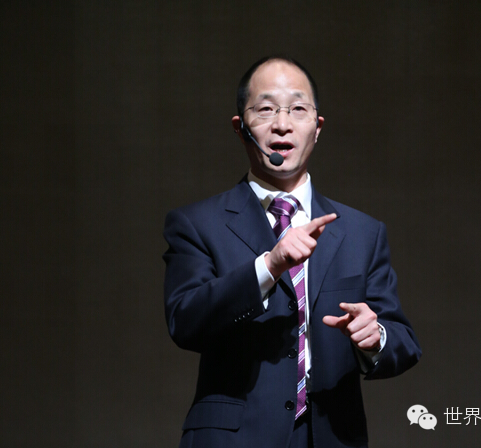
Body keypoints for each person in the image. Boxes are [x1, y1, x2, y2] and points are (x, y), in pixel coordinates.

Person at [163, 55, 421, 448]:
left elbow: (404, 342)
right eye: (266, 109)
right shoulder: (197, 223)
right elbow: (185, 321)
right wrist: (269, 266)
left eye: (298, 109)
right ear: (240, 128)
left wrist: (375, 337)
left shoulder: (362, 232)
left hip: (332, 437)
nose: (282, 124)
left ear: (317, 128)